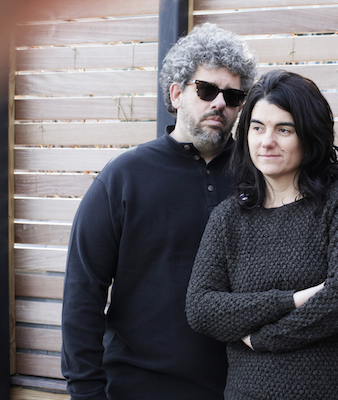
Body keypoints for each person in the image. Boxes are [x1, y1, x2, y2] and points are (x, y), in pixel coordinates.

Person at [61, 23, 257, 400]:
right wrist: (86, 392)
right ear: (176, 92)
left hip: (241, 387)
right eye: (206, 89)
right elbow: (83, 293)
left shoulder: (259, 176)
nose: (219, 103)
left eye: (233, 96)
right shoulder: (123, 178)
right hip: (138, 386)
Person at [185, 69, 338, 400]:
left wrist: (264, 338)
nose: (267, 141)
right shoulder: (229, 218)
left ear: (309, 135)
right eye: (257, 128)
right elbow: (201, 308)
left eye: (284, 129)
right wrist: (292, 299)